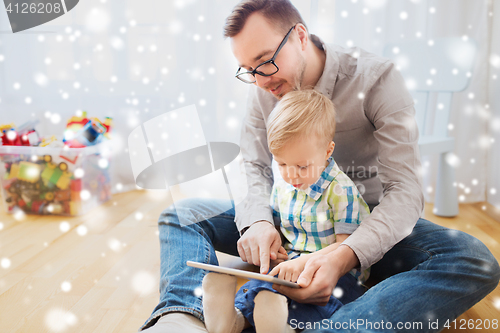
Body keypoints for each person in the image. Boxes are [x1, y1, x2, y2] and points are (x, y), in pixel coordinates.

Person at [139, 1, 500, 332]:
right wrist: (259, 221)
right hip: (289, 215)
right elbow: (253, 165)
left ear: (299, 36)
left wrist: (344, 256)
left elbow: (405, 192)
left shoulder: (377, 79)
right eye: (249, 71)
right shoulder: (264, 88)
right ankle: (181, 318)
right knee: (180, 214)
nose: (262, 81)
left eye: (265, 61)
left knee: (473, 259)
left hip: (365, 222)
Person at [201, 89, 370, 333]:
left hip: (331, 269)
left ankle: (281, 325)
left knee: (312, 299)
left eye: (302, 166)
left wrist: (304, 262)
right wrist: (275, 248)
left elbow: (348, 247)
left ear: (327, 151)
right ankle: (235, 319)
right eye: (281, 163)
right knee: (263, 287)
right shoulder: (285, 186)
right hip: (291, 263)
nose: (291, 174)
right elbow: (284, 229)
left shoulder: (342, 191)